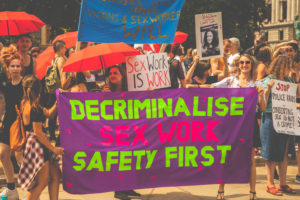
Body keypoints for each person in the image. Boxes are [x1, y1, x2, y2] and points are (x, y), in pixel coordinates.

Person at [212, 54, 266, 200]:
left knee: (250, 159)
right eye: (241, 62)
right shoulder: (230, 81)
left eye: (247, 62)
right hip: (231, 123)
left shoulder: (257, 84)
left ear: (251, 64)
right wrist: (193, 87)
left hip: (249, 124)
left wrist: (261, 95)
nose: (243, 65)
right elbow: (211, 88)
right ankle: (220, 190)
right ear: (238, 65)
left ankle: (252, 192)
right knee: (225, 156)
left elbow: (263, 108)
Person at [18, 75, 64, 200]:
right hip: (38, 145)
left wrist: (58, 98)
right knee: (42, 182)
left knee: (55, 175)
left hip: (36, 144)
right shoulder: (34, 108)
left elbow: (49, 113)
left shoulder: (26, 103)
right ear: (38, 89)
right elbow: (38, 132)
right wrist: (54, 149)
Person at [102, 65, 142, 200]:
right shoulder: (105, 90)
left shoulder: (130, 90)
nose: (112, 75)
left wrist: (150, 93)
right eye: (110, 73)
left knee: (130, 160)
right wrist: (104, 96)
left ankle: (127, 187)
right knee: (118, 160)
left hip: (129, 131)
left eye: (115, 73)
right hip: (113, 133)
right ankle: (118, 190)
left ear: (122, 76)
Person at [261, 55, 296, 196]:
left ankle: (282, 183)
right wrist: (268, 89)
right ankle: (270, 183)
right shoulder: (268, 80)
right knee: (271, 153)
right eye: (289, 65)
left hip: (286, 118)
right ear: (283, 65)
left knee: (284, 152)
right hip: (271, 117)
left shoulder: (289, 81)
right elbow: (262, 104)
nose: (290, 68)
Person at [0, 45, 24, 200]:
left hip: (22, 123)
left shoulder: (26, 82)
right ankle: (11, 188)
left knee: (20, 158)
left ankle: (32, 188)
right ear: (7, 67)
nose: (15, 68)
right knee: (2, 154)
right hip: (8, 121)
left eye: (18, 66)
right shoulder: (5, 84)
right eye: (12, 66)